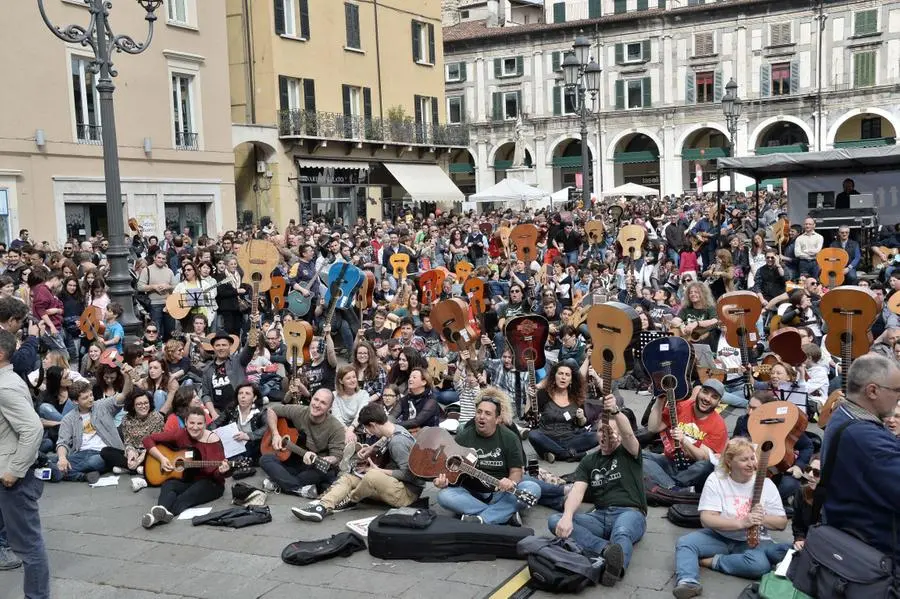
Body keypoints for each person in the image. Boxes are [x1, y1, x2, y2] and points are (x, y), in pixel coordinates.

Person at [548, 393, 646, 587]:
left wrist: (616, 412)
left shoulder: (628, 452)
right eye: (601, 430)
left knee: (622, 531)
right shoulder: (589, 461)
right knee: (555, 521)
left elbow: (628, 434)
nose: (605, 434)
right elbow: (577, 491)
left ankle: (617, 569)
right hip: (599, 516)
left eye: (609, 430)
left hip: (629, 512)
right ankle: (607, 551)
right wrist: (567, 516)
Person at [672, 437, 790, 598]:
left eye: (752, 458)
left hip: (753, 540)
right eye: (744, 460)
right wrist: (741, 522)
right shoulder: (716, 480)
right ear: (729, 462)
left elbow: (782, 523)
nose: (751, 464)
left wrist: (761, 518)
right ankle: (688, 581)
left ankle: (712, 561)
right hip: (720, 536)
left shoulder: (766, 484)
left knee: (759, 565)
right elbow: (706, 519)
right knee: (686, 543)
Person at [820, 353, 900, 559]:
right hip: (875, 554)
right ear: (872, 391)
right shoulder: (866, 438)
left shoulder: (844, 414)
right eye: (896, 390)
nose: (899, 397)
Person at [291, 402, 424, 522]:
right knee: (348, 478)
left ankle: (349, 499)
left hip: (406, 494)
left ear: (373, 424)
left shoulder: (398, 442)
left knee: (372, 476)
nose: (370, 433)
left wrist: (378, 471)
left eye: (369, 429)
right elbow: (386, 438)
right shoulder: (393, 428)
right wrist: (371, 449)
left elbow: (409, 474)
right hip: (392, 484)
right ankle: (322, 506)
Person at [434, 394, 542, 525]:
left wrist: (511, 482)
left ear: (497, 419)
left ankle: (481, 519)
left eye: (487, 413)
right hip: (471, 493)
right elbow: (451, 468)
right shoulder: (463, 437)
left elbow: (516, 471)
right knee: (444, 496)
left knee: (532, 487)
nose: (481, 416)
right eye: (479, 412)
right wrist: (444, 481)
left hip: (501, 493)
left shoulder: (510, 438)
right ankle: (504, 515)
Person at [0, 328, 50, 596]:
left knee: (29, 547)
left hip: (13, 481)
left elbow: (33, 429)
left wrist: (14, 471)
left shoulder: (5, 386)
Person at [140, 406, 230, 528]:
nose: (195, 427)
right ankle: (161, 510)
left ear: (205, 424)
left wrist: (221, 471)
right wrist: (162, 458)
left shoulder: (212, 440)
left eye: (199, 423)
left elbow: (216, 474)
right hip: (187, 478)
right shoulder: (180, 433)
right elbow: (148, 439)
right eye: (192, 423)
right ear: (186, 422)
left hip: (211, 483)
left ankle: (157, 516)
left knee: (187, 496)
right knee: (168, 485)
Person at [643, 380, 728, 492]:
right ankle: (675, 489)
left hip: (692, 469)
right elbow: (653, 428)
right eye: (705, 392)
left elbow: (702, 457)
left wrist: (684, 440)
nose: (707, 398)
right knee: (640, 456)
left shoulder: (719, 424)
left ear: (718, 402)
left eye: (714, 397)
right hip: (669, 461)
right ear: (698, 392)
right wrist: (659, 400)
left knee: (707, 465)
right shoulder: (681, 407)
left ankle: (664, 483)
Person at [260, 388, 345, 498]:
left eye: (323, 403)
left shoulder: (336, 427)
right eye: (316, 399)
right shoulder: (300, 411)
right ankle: (299, 489)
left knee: (324, 474)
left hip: (315, 466)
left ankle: (281, 483)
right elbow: (271, 410)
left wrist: (322, 459)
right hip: (294, 460)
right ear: (311, 399)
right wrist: (275, 434)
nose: (317, 404)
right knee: (265, 459)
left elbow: (336, 457)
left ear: (329, 408)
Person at [52, 372, 134, 483]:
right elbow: (62, 442)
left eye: (91, 395)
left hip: (103, 453)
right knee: (59, 460)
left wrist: (127, 376)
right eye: (85, 398)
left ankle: (64, 472)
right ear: (75, 401)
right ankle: (83, 475)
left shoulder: (102, 405)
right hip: (81, 453)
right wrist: (62, 458)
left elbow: (124, 394)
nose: (90, 399)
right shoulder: (68, 418)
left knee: (93, 462)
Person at [528, 361, 597, 462]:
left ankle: (555, 453)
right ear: (554, 377)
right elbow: (529, 416)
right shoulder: (544, 394)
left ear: (571, 380)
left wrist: (581, 417)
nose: (563, 377)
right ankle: (568, 454)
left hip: (570, 439)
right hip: (547, 439)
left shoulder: (576, 397)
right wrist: (529, 397)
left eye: (567, 375)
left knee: (596, 436)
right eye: (560, 374)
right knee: (533, 435)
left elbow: (581, 424)